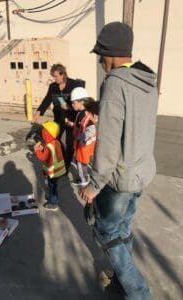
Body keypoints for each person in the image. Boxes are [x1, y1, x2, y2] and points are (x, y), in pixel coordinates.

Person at [79, 22, 158, 300]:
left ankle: (138, 293)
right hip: (140, 173)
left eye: (100, 54)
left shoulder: (114, 83)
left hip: (118, 179)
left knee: (106, 233)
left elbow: (109, 143)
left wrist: (93, 184)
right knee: (123, 231)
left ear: (108, 53)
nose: (100, 60)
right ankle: (123, 284)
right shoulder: (146, 80)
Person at [33, 64, 85, 169]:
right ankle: (57, 158)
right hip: (58, 117)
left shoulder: (73, 85)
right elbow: (47, 99)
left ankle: (67, 163)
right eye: (53, 76)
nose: (54, 79)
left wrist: (69, 106)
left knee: (70, 142)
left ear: (63, 74)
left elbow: (80, 101)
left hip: (71, 118)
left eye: (56, 76)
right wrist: (39, 111)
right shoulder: (53, 86)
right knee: (54, 139)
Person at [66, 87, 96, 187]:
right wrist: (70, 124)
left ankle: (84, 180)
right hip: (83, 144)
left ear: (81, 101)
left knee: (80, 162)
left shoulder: (86, 114)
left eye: (74, 103)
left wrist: (82, 138)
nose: (72, 105)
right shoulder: (81, 113)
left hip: (84, 145)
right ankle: (87, 176)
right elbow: (78, 126)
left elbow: (91, 129)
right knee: (84, 161)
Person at [34, 121, 66, 211]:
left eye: (44, 131)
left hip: (52, 172)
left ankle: (53, 203)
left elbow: (43, 157)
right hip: (58, 170)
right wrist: (43, 149)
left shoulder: (48, 146)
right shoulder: (56, 142)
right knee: (54, 185)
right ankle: (54, 198)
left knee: (52, 187)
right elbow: (51, 154)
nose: (43, 132)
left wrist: (37, 150)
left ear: (48, 134)